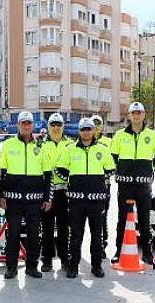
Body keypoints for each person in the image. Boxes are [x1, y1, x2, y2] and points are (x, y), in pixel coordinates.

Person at [57, 118, 116, 278]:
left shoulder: (102, 149)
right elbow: (59, 170)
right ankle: (73, 266)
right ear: (79, 131)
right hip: (76, 201)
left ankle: (96, 266)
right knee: (75, 234)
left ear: (93, 130)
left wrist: (97, 183)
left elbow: (110, 169)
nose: (86, 132)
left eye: (89, 129)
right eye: (83, 129)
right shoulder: (70, 149)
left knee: (97, 234)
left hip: (96, 200)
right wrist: (74, 181)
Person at [110, 102, 155, 265]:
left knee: (144, 220)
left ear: (143, 114)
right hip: (125, 184)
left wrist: (148, 168)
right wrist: (120, 170)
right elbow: (112, 156)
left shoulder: (152, 135)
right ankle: (118, 252)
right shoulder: (120, 135)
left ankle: (147, 253)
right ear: (129, 115)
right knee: (122, 220)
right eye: (133, 113)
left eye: (139, 112)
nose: (136, 115)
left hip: (144, 185)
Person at [0, 111, 52, 279]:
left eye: (29, 123)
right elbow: (1, 172)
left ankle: (31, 266)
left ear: (33, 125)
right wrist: (1, 195)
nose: (26, 126)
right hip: (13, 200)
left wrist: (47, 198)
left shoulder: (41, 145)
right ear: (18, 125)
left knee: (34, 235)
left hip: (34, 201)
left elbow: (48, 174)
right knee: (13, 234)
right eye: (23, 123)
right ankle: (11, 267)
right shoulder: (8, 145)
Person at [40, 112, 72, 272]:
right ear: (48, 126)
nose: (56, 127)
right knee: (46, 229)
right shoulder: (40, 144)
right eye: (53, 124)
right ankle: (46, 260)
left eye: (59, 124)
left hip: (64, 193)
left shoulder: (71, 145)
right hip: (46, 192)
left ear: (63, 126)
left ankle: (65, 260)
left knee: (64, 229)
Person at [91, 114, 112, 256]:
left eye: (99, 123)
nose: (97, 127)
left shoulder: (108, 142)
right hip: (86, 186)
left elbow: (113, 164)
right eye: (94, 124)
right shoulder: (83, 140)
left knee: (102, 217)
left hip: (104, 185)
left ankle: (102, 246)